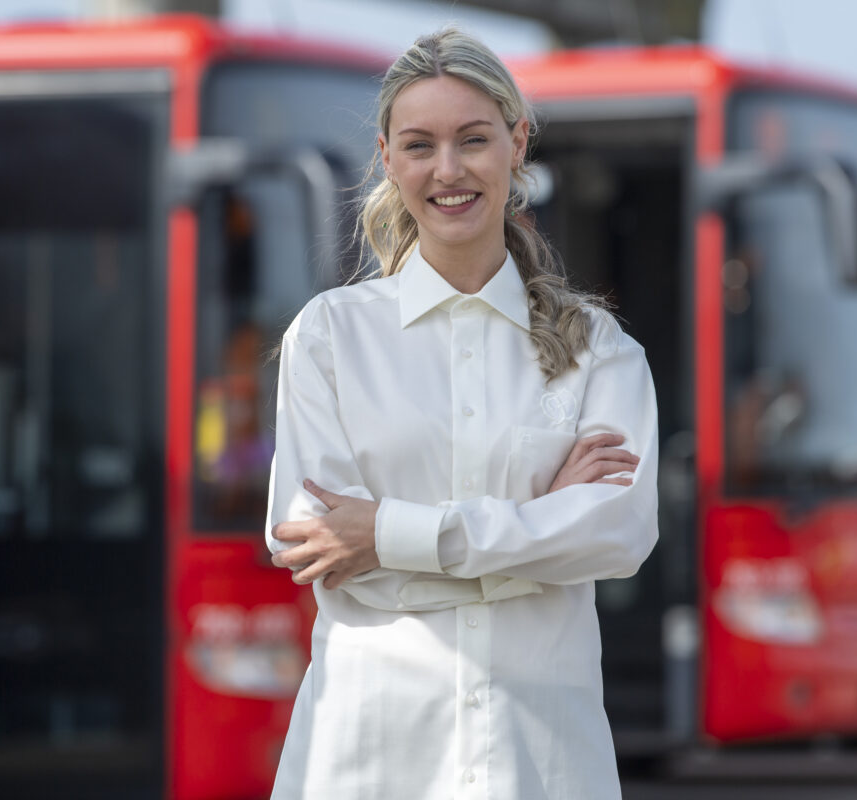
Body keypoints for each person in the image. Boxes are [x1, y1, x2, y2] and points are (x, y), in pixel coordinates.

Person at [265, 27, 659, 799]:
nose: (448, 171)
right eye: (419, 145)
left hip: (540, 764)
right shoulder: (330, 337)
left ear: (517, 144)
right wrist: (536, 525)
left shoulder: (600, 350)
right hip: (371, 761)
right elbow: (312, 542)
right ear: (387, 158)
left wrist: (387, 533)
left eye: (473, 140)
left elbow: (617, 533)